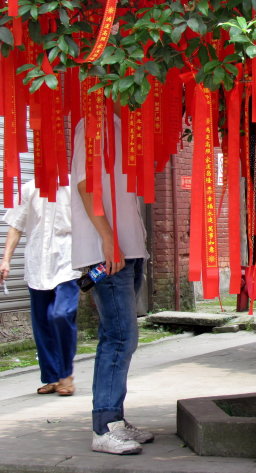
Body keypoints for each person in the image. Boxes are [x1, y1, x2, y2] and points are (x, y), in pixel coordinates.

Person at [71, 105, 152, 455]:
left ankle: (115, 419)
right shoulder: (93, 124)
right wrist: (107, 238)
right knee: (118, 338)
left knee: (123, 338)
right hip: (108, 251)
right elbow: (86, 185)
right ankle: (104, 426)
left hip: (129, 249)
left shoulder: (127, 125)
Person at [1, 178, 80, 396]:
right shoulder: (29, 188)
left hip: (67, 263)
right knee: (42, 323)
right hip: (37, 264)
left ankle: (66, 374)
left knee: (61, 315)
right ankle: (51, 377)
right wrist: (6, 259)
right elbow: (16, 226)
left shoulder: (74, 185)